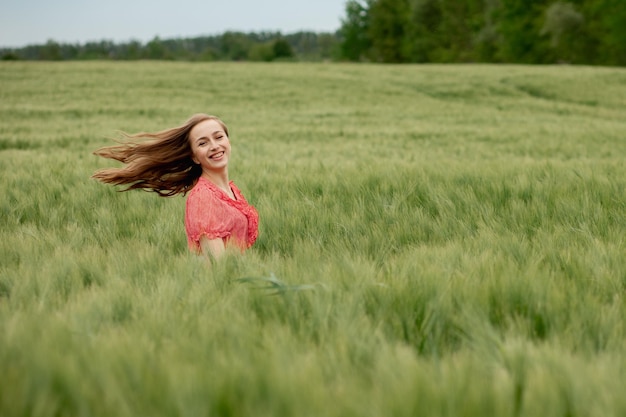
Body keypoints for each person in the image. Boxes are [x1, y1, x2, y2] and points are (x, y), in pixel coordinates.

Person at [92, 114, 259, 259]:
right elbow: (219, 266)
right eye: (203, 143)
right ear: (194, 157)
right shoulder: (203, 198)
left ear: (228, 141)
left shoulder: (231, 190)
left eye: (219, 137)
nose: (214, 146)